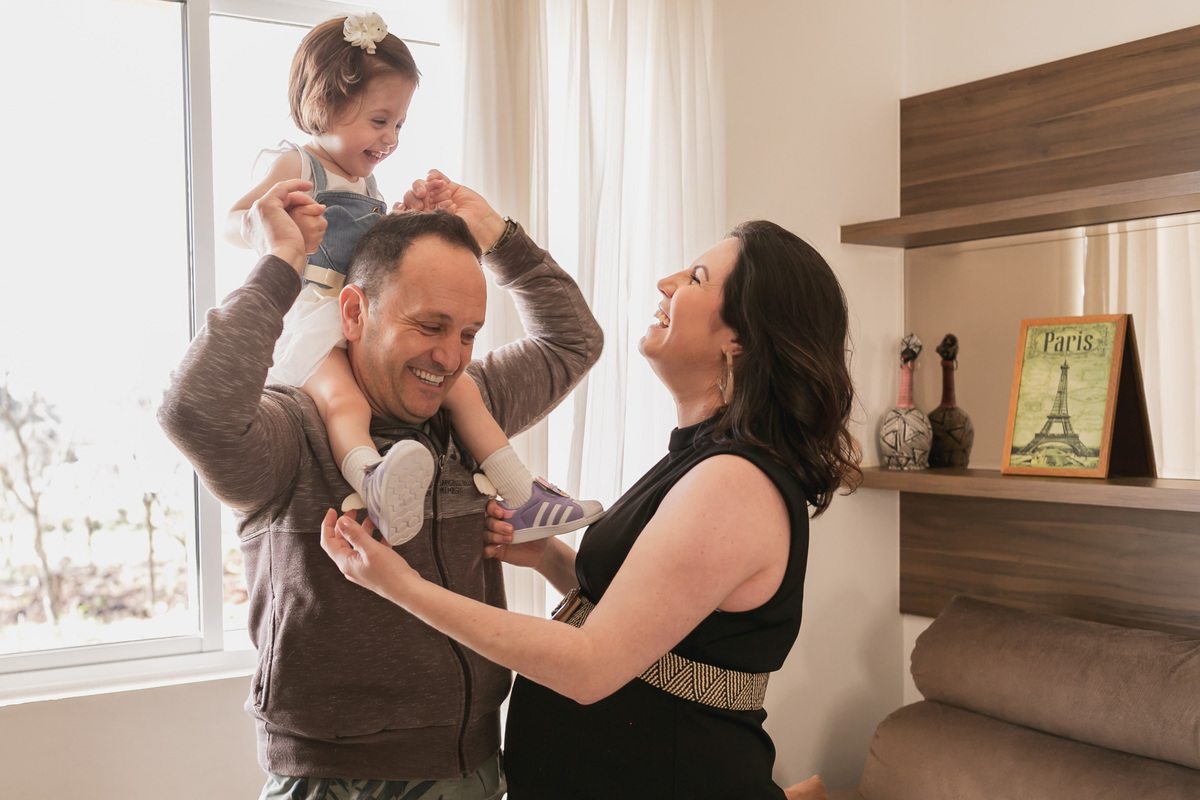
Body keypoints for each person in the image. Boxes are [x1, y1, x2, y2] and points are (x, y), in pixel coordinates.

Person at [321, 219, 863, 798]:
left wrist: (401, 586)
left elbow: (590, 666)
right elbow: (655, 624)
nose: (667, 282)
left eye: (697, 278)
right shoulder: (704, 459)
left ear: (742, 340)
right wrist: (551, 559)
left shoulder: (735, 482)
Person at [159, 171, 603, 799]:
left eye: (468, 333)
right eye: (430, 325)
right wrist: (282, 262)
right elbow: (194, 411)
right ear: (354, 312)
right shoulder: (292, 432)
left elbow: (574, 339)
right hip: (334, 778)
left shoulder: (470, 406)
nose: (451, 357)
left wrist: (498, 236)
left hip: (473, 766)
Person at [226, 13, 602, 547]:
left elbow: (375, 261)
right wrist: (269, 226)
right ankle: (371, 478)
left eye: (399, 125)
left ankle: (522, 495)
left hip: (365, 309)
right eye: (380, 121)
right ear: (323, 105)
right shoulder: (297, 164)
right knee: (343, 401)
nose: (390, 139)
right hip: (316, 315)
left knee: (465, 392)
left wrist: (404, 221)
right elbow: (233, 221)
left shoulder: (367, 183)